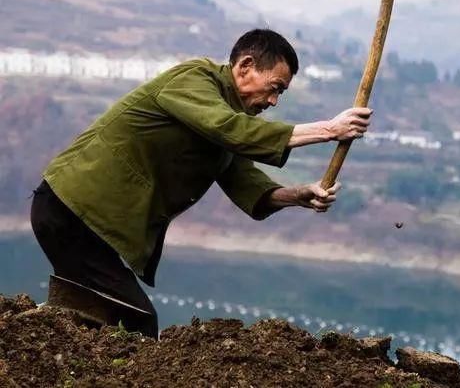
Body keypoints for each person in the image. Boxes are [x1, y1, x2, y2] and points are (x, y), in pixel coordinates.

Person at [30, 29, 372, 337]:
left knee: (90, 318)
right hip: (70, 208)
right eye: (274, 88)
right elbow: (230, 130)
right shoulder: (195, 80)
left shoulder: (226, 119)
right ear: (246, 66)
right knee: (137, 321)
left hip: (82, 220)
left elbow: (246, 181)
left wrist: (298, 195)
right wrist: (329, 130)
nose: (273, 102)